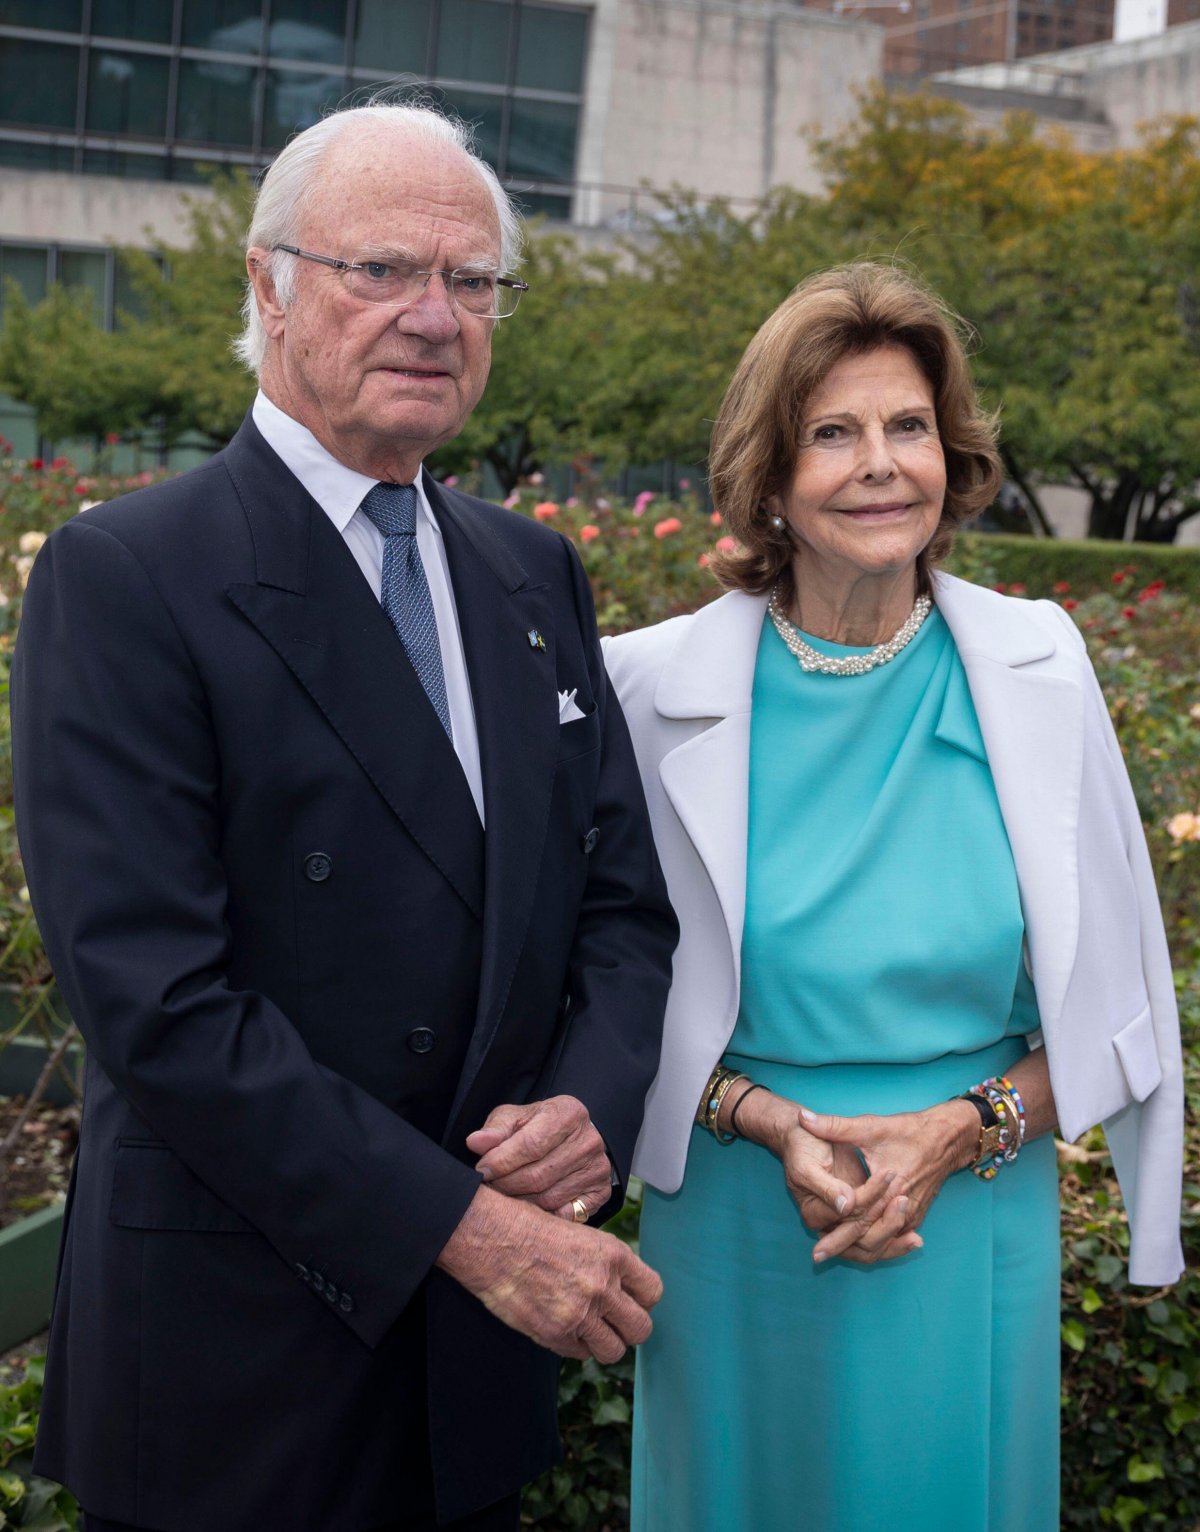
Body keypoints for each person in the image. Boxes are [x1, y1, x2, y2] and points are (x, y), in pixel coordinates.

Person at [11, 103, 677, 1532]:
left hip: (471, 1377)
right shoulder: (127, 574)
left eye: (472, 280)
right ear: (268, 283)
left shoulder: (533, 573)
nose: (434, 316)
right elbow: (156, 1002)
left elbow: (622, 907)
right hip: (239, 1370)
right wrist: (466, 1227)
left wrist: (593, 1106)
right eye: (381, 270)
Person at [603, 263, 1184, 1532]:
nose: (881, 464)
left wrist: (959, 1129)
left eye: (909, 425)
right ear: (768, 478)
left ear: (950, 453)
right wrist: (763, 1118)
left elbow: (1116, 1009)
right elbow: (603, 992)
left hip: (971, 1219)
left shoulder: (1039, 666)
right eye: (833, 432)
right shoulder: (642, 688)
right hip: (738, 1219)